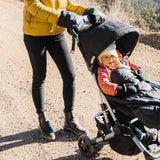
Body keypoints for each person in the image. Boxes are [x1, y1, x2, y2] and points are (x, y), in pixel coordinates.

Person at [23, 0, 107, 141]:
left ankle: (69, 118)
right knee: (39, 77)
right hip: (34, 34)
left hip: (56, 33)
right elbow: (33, 6)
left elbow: (67, 5)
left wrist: (86, 11)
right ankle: (42, 118)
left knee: (69, 76)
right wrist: (61, 17)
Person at [96, 43, 160, 129]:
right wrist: (122, 89)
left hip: (141, 85)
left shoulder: (122, 62)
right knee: (147, 105)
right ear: (101, 60)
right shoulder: (103, 71)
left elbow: (131, 64)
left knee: (156, 92)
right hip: (128, 92)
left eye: (112, 56)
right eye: (106, 57)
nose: (110, 59)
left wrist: (138, 70)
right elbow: (105, 86)